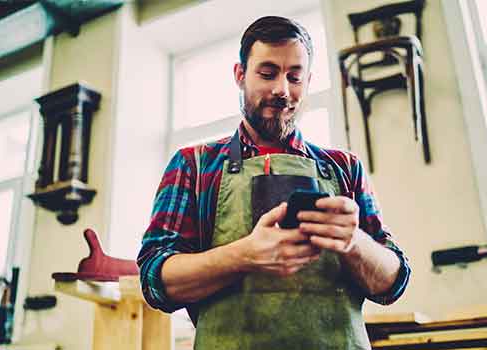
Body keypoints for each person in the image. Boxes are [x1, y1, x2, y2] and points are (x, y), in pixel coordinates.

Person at [138, 16, 410, 350]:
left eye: (295, 77)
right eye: (267, 74)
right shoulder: (194, 165)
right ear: (240, 76)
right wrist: (244, 256)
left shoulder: (345, 168)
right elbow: (154, 280)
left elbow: (393, 283)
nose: (282, 90)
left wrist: (354, 242)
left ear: (308, 81)